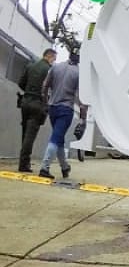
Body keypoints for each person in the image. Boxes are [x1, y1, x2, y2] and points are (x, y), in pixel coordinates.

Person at [39, 51, 85, 179]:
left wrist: (45, 104)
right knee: (55, 138)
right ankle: (44, 167)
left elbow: (44, 87)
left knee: (59, 139)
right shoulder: (79, 73)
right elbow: (81, 99)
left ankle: (65, 167)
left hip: (53, 108)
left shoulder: (55, 67)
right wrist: (83, 118)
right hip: (66, 109)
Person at [17, 48, 56, 172]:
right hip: (38, 104)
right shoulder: (49, 70)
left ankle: (25, 162)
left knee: (24, 132)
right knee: (30, 135)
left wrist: (29, 91)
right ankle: (23, 165)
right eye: (53, 59)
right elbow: (51, 90)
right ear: (49, 57)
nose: (53, 62)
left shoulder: (31, 66)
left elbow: (21, 83)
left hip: (25, 101)